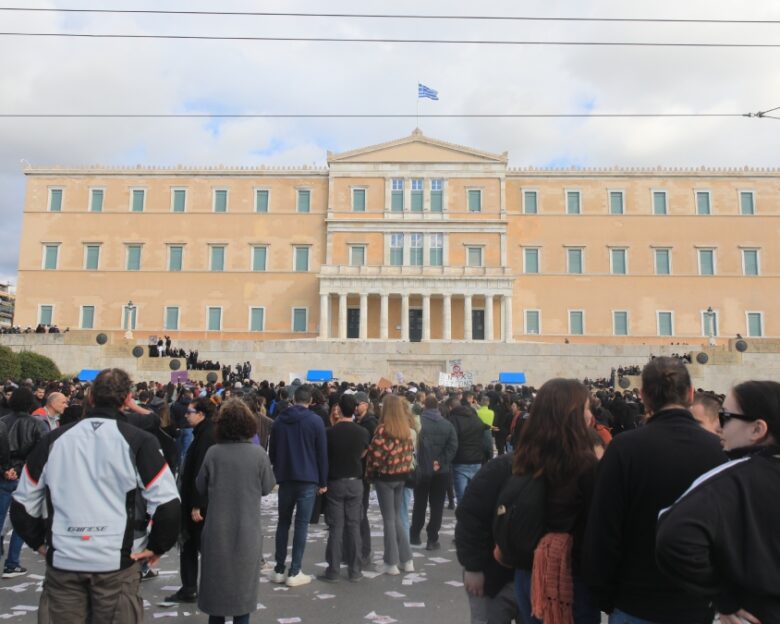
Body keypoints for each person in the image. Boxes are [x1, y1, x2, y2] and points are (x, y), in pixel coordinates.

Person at [10, 368, 180, 623]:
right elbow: (168, 503)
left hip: (65, 560)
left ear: (89, 398)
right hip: (115, 562)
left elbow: (22, 504)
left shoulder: (54, 440)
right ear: (126, 400)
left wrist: (41, 544)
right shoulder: (139, 441)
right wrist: (157, 547)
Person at [582, 357, 727, 624]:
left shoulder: (623, 449)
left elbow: (604, 528)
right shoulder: (718, 451)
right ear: (690, 394)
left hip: (635, 600)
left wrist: (603, 592)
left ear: (643, 396)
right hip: (695, 602)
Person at [656, 380, 780, 623]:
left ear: (757, 429)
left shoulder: (734, 477)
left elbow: (672, 535)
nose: (719, 426)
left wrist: (721, 594)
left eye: (726, 416)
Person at [507, 379, 600, 624]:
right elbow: (595, 527)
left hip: (528, 571)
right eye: (586, 408)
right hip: (564, 575)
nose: (591, 415)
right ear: (570, 415)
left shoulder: (526, 456)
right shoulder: (584, 464)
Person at [196, 399, 276, 624]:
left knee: (216, 598)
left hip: (217, 529)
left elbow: (200, 486)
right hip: (247, 530)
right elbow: (267, 487)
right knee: (243, 597)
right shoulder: (258, 454)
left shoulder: (213, 453)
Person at [269, 385, 328, 587]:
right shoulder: (315, 421)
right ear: (310, 400)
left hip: (286, 477)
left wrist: (278, 470)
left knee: (283, 522)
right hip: (308, 477)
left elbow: (273, 451)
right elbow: (322, 453)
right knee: (301, 524)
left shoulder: (279, 421)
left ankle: (278, 568)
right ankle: (295, 570)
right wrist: (323, 481)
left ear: (294, 399)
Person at [455, 452, 519, 624]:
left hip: (532, 577)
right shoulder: (503, 468)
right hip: (492, 576)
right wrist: (473, 566)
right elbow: (470, 514)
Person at [165, 397, 217, 603]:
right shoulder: (204, 433)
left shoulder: (206, 436)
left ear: (201, 414)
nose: (186, 415)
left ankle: (191, 587)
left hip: (196, 502)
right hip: (196, 499)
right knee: (194, 545)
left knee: (191, 544)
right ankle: (192, 587)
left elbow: (201, 471)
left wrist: (198, 504)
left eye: (190, 412)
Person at [320, 393, 369, 582]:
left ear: (339, 409)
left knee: (336, 527)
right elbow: (364, 453)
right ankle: (355, 570)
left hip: (336, 481)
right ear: (355, 409)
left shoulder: (330, 432)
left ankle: (333, 570)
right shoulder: (362, 432)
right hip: (355, 481)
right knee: (354, 526)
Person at [365, 394, 416, 575]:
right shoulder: (405, 429)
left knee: (389, 519)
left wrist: (370, 474)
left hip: (385, 478)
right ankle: (406, 559)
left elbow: (375, 456)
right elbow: (409, 455)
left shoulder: (382, 430)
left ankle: (391, 561)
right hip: (401, 476)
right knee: (396, 518)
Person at [0, 387, 47, 578]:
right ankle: (12, 563)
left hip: (4, 474)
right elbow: (41, 454)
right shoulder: (37, 425)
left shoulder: (3, 422)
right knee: (21, 520)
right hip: (25, 477)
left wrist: (5, 469)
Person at [410, 394, 458, 551]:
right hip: (441, 471)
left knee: (420, 503)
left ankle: (415, 534)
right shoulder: (447, 425)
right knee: (437, 505)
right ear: (437, 407)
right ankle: (432, 538)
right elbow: (452, 447)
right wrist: (440, 462)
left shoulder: (419, 423)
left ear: (424, 406)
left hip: (422, 469)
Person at [449, 402, 487, 506]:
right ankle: (470, 518)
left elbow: (452, 441)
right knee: (473, 495)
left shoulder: (453, 419)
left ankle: (462, 519)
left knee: (461, 496)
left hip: (460, 460)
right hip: (477, 460)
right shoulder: (477, 420)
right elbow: (483, 440)